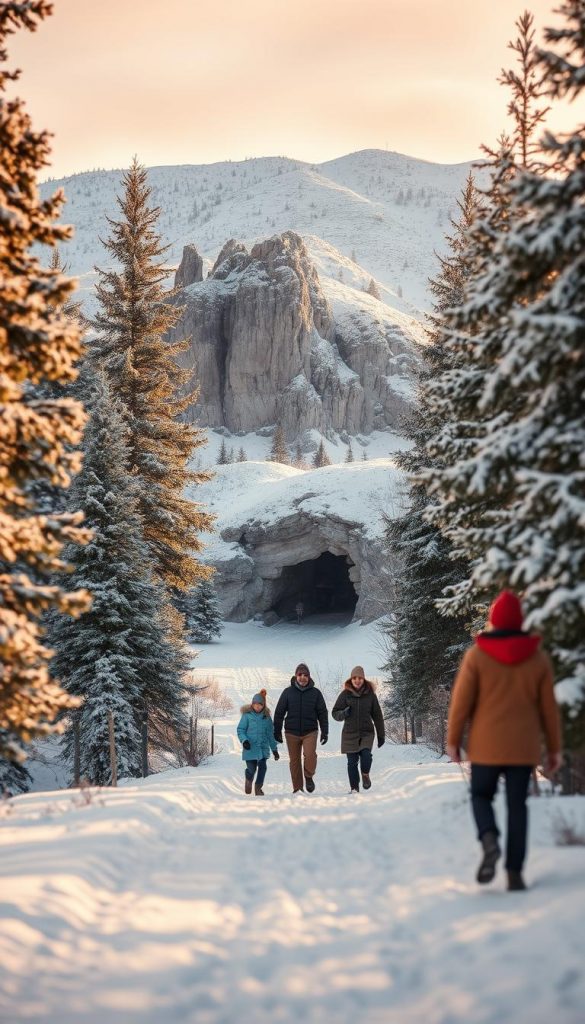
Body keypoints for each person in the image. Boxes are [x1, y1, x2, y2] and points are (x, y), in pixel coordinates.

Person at [447, 590, 562, 891]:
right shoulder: (537, 659)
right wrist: (553, 749)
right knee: (517, 806)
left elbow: (461, 703)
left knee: (481, 796)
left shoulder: (477, 656)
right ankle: (514, 872)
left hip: (486, 746)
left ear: (493, 620)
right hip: (523, 748)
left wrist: (453, 740)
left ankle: (489, 839)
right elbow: (549, 709)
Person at [273, 662, 328, 793]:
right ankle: (297, 789)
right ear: (295, 676)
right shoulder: (287, 692)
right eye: (300, 675)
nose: (302, 677)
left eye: (305, 675)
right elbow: (279, 712)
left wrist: (325, 732)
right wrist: (277, 731)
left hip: (310, 731)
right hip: (291, 732)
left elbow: (322, 713)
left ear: (309, 677)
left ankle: (308, 776)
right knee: (294, 761)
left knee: (310, 755)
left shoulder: (316, 693)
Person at [332, 666, 385, 793]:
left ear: (363, 679)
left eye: (360, 678)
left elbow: (377, 715)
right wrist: (344, 713)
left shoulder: (370, 695)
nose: (357, 680)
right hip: (349, 733)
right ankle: (354, 788)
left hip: (366, 732)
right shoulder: (345, 695)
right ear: (351, 679)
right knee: (352, 762)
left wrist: (381, 735)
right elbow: (335, 713)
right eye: (354, 678)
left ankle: (365, 774)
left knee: (366, 755)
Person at [237, 689, 280, 795]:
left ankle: (258, 788)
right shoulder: (247, 716)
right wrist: (244, 740)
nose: (257, 706)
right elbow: (241, 730)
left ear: (263, 705)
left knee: (263, 767)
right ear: (252, 704)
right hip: (250, 747)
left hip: (262, 748)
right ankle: (248, 779)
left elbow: (270, 734)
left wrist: (274, 750)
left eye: (260, 704)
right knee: (251, 769)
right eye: (255, 704)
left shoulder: (267, 718)